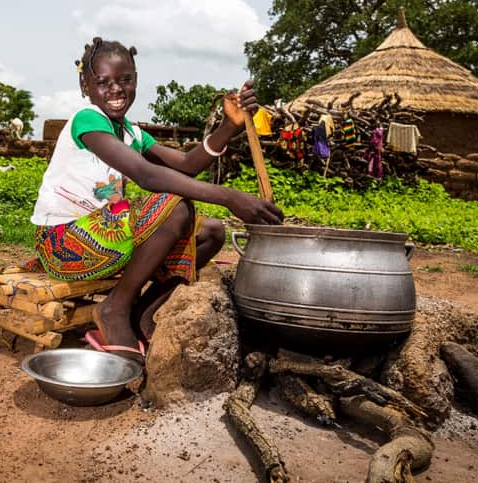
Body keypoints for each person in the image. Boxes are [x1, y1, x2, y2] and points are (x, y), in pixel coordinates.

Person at [24, 36, 284, 363]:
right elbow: (147, 176)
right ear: (85, 86)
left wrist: (229, 125)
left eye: (125, 80)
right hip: (64, 243)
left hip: (104, 237)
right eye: (103, 82)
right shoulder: (87, 120)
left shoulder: (130, 132)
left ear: (135, 81)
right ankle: (115, 308)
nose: (116, 89)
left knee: (212, 232)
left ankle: (141, 312)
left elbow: (187, 166)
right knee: (176, 207)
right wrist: (229, 196)